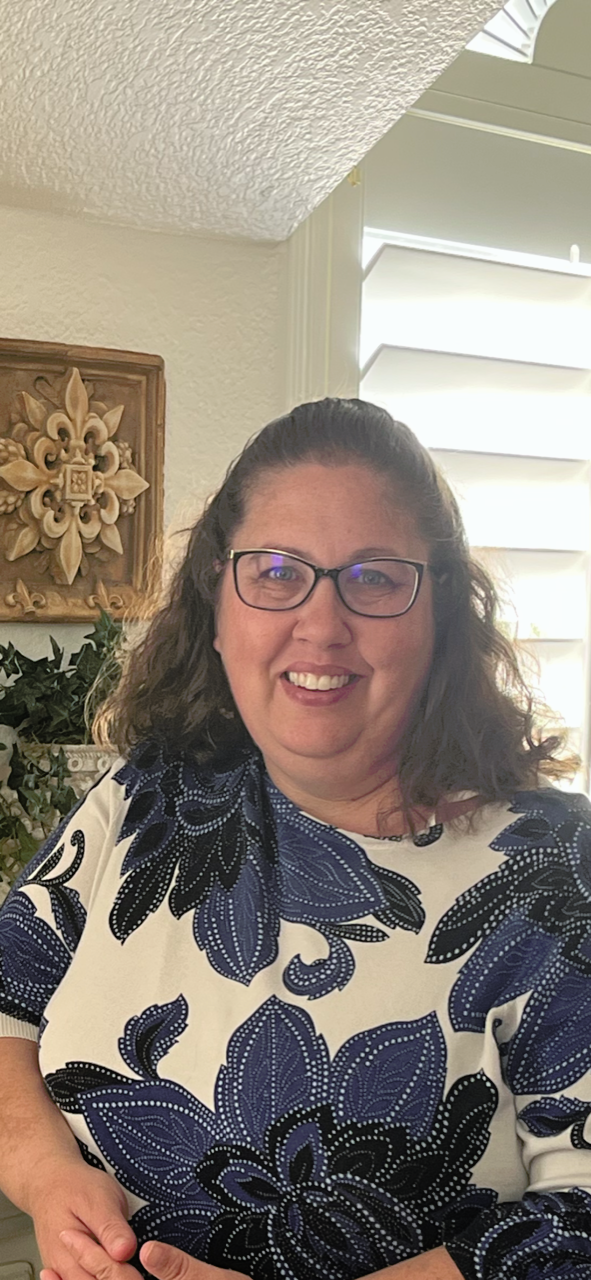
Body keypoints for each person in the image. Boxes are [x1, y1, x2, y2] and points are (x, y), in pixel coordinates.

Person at [0, 397, 590, 1280]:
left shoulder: (552, 867)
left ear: (441, 616)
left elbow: (580, 1221)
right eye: (276, 571)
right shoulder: (147, 792)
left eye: (375, 577)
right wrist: (49, 1179)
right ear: (219, 598)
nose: (320, 624)